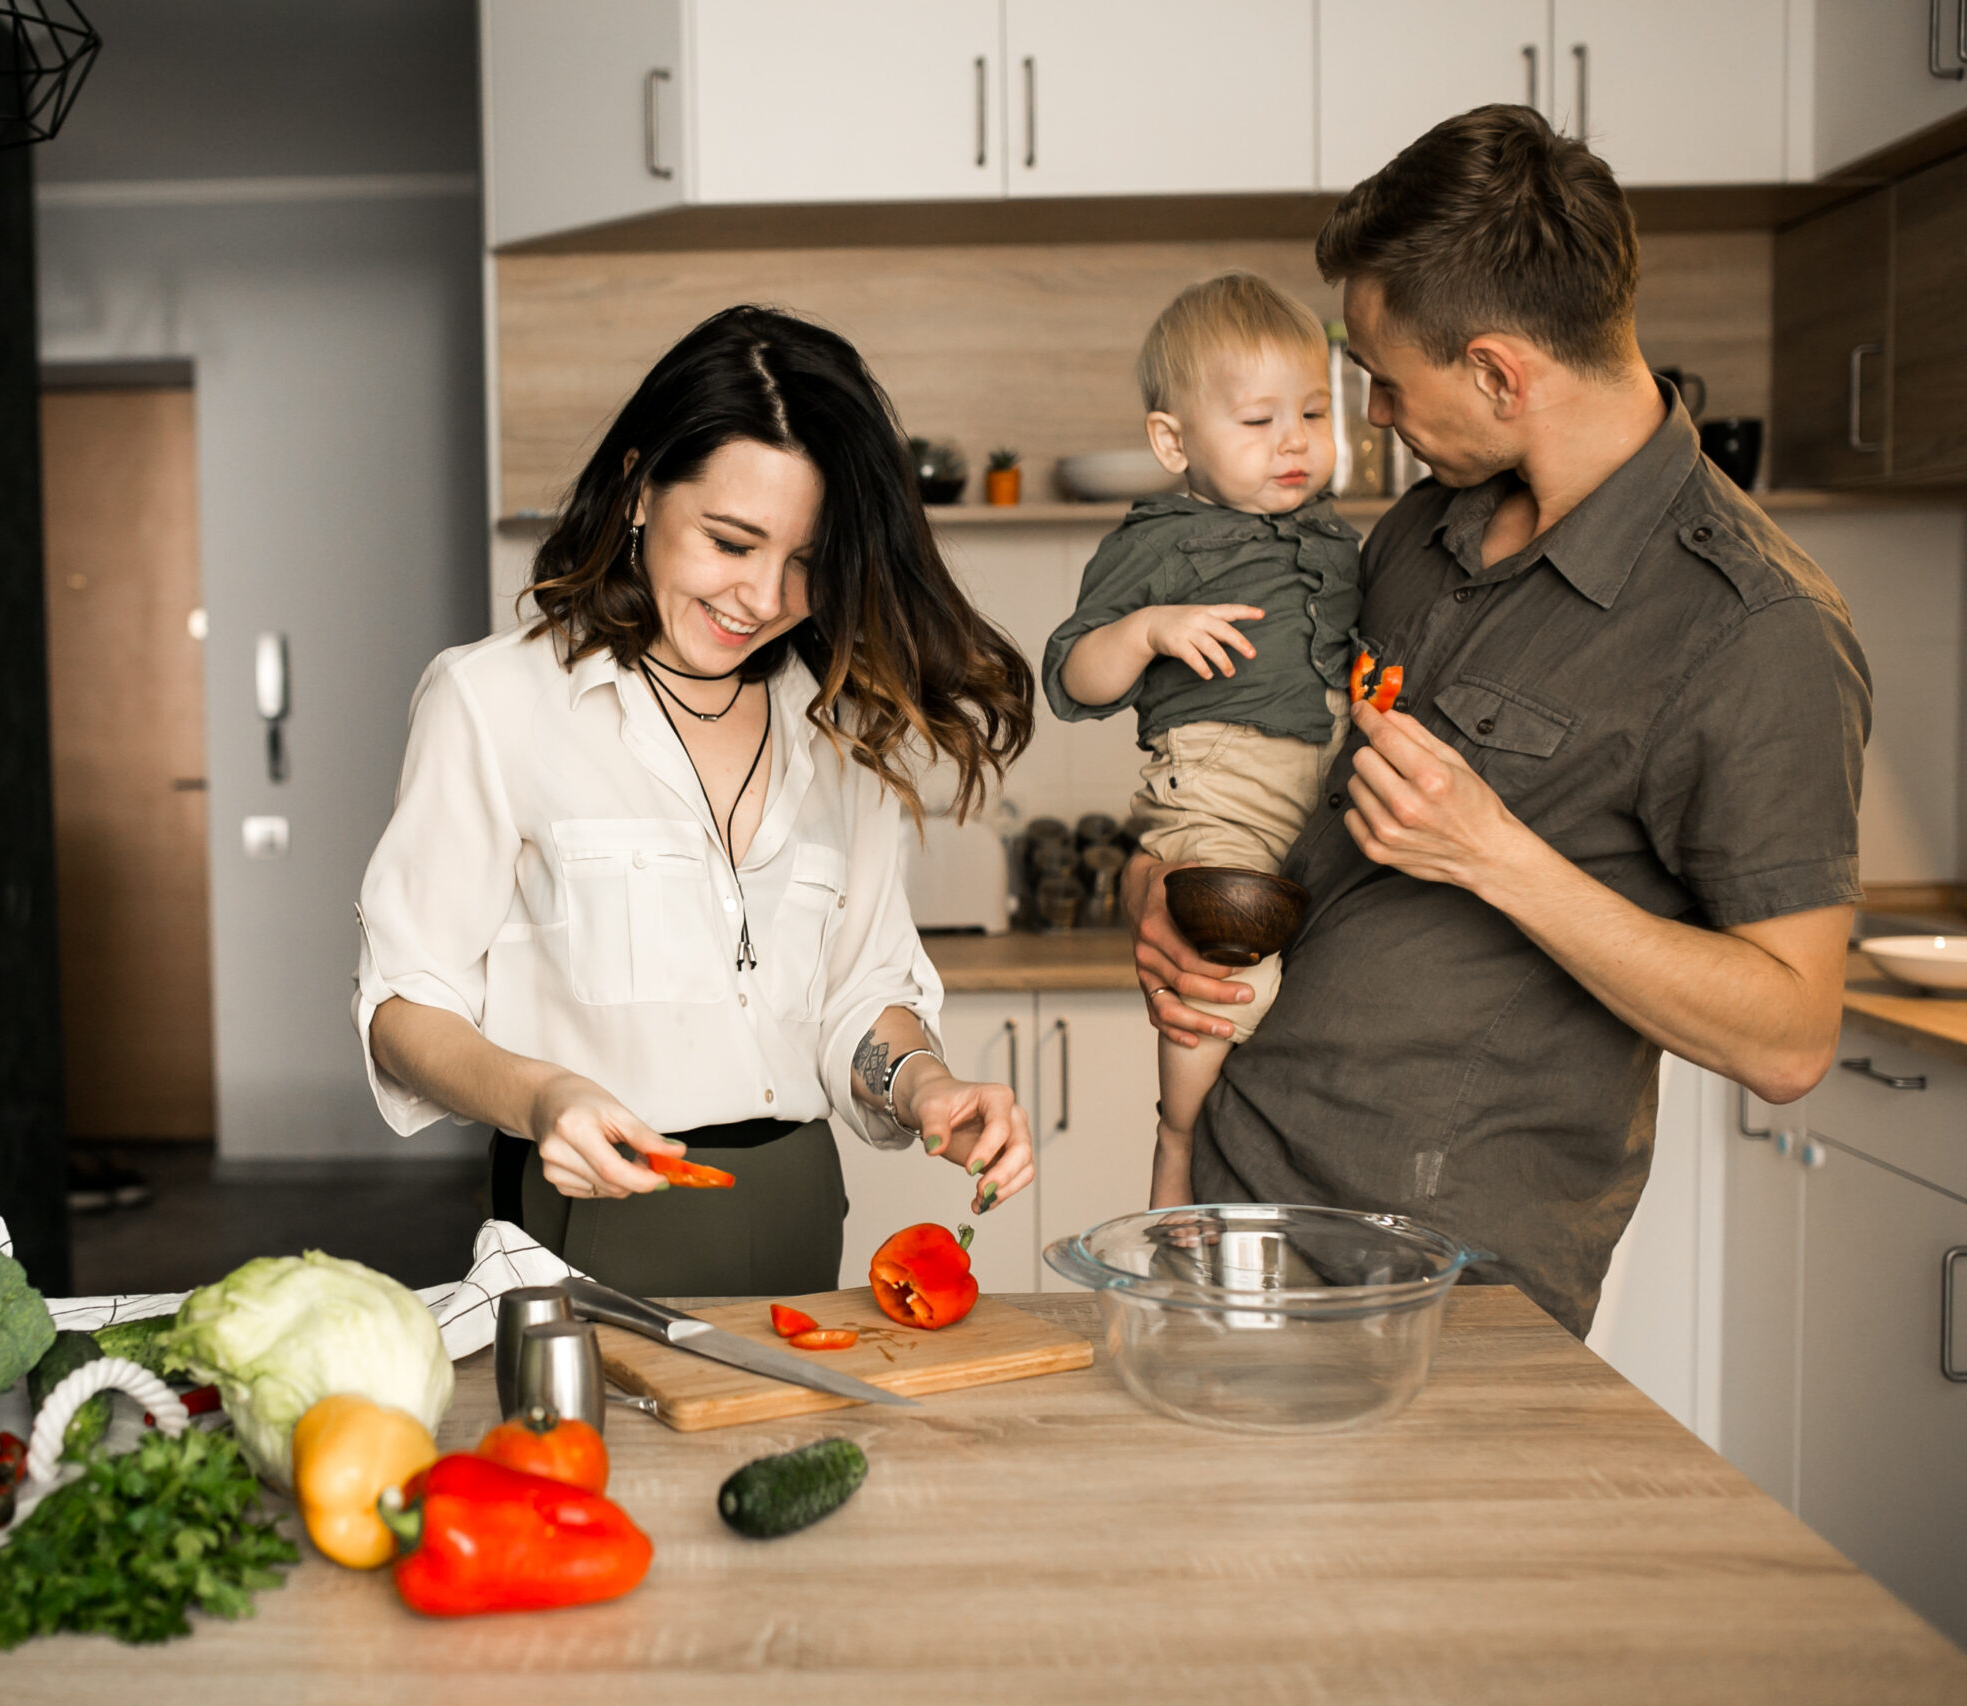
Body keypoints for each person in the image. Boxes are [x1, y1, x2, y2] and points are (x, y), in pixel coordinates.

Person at [1123, 104, 1870, 1336]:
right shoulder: (1422, 530)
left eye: (1380, 379)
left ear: (1496, 373)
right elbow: (1285, 788)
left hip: (1434, 1273)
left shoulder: (1757, 627)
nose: (1367, 415)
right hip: (1233, 1186)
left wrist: (1496, 856)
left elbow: (1789, 1034)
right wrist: (1156, 885)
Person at [353, 306, 1039, 1297]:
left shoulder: (846, 728)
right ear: (638, 488)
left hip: (804, 1217)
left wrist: (927, 1083)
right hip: (587, 1220)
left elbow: (858, 995)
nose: (762, 597)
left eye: (806, 560)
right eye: (730, 541)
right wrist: (543, 1095)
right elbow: (405, 1007)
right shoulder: (493, 701)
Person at [1040, 273, 1361, 1211]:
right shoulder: (1159, 541)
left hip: (1330, 782)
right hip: (1221, 781)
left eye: (1311, 411)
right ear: (1173, 442)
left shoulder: (1342, 543)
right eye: (1259, 421)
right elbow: (1071, 675)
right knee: (1222, 967)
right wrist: (1146, 632)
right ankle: (1178, 1142)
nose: (1294, 440)